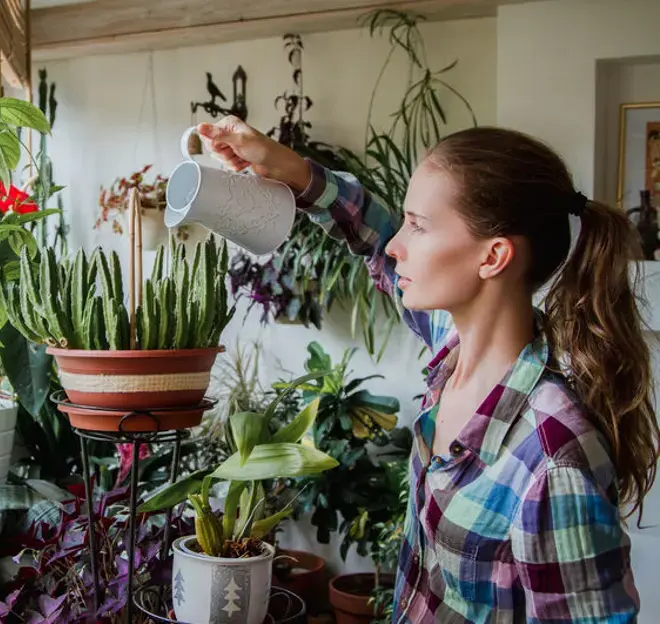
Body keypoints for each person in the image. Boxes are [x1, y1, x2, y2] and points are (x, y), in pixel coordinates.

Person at [196, 116, 658, 623]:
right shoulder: (452, 345)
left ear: (494, 256)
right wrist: (288, 168)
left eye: (418, 225)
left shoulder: (553, 459)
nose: (399, 245)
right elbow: (375, 237)